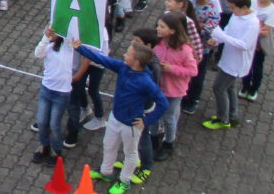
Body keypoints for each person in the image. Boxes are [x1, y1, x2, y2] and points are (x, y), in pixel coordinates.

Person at [74, 39, 168, 193]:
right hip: (115, 117)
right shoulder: (123, 67)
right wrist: (80, 48)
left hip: (131, 125)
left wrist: (147, 121)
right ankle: (106, 172)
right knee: (108, 145)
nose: (124, 55)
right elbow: (102, 59)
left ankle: (124, 181)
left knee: (130, 153)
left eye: (128, 54)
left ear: (136, 62)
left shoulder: (146, 81)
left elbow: (163, 103)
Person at [204, 0, 261, 130]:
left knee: (219, 88)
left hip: (236, 63)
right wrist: (216, 40)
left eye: (233, 7)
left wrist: (222, 37)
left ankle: (223, 119)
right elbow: (227, 31)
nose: (231, 10)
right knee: (230, 87)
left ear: (244, 8)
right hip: (228, 58)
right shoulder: (236, 15)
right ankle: (232, 116)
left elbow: (244, 45)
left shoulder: (252, 23)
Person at [151, 12, 197, 161]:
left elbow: (193, 71)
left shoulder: (185, 50)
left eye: (162, 26)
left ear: (172, 30)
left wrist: (171, 68)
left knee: (169, 118)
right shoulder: (157, 44)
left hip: (174, 91)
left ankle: (168, 143)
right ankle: (153, 138)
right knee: (153, 114)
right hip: (157, 87)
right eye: (158, 25)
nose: (158, 28)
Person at [32, 26, 73, 164]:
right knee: (42, 121)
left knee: (54, 124)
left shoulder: (68, 47)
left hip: (62, 93)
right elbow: (37, 54)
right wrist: (45, 37)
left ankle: (56, 149)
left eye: (53, 32)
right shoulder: (48, 46)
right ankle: (44, 145)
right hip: (46, 90)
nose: (51, 33)